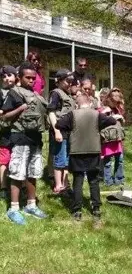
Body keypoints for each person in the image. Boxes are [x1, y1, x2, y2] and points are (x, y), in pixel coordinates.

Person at [55, 93, 117, 223]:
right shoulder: (96, 114)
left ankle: (77, 210)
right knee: (94, 180)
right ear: (90, 103)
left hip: (76, 152)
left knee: (78, 181)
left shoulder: (72, 114)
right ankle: (96, 208)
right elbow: (112, 121)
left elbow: (59, 124)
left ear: (76, 104)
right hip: (94, 151)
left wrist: (70, 129)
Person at [1, 62, 48, 225]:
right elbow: (4, 117)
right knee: (17, 172)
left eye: (33, 78)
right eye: (27, 77)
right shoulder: (14, 93)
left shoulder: (37, 95)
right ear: (20, 77)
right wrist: (20, 108)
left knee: (33, 172)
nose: (31, 80)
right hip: (20, 137)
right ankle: (13, 209)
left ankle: (31, 205)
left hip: (36, 138)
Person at [47, 69, 75, 194]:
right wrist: (56, 130)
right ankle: (58, 186)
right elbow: (51, 112)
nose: (70, 83)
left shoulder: (68, 95)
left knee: (67, 159)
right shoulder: (56, 93)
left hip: (69, 132)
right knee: (59, 158)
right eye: (67, 81)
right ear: (59, 81)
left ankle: (65, 184)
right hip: (60, 131)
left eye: (71, 81)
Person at [99, 87, 125, 186]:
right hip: (108, 139)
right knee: (108, 161)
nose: (116, 100)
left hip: (118, 138)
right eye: (114, 97)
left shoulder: (118, 109)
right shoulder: (104, 108)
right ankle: (108, 181)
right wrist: (110, 115)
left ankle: (119, 179)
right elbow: (98, 119)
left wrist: (121, 117)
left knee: (120, 160)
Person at [0, 65, 17, 199]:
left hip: (19, 131)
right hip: (5, 131)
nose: (6, 78)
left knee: (18, 158)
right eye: (3, 76)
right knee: (4, 160)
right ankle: (3, 187)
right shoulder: (1, 93)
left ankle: (21, 186)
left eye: (9, 75)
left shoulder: (19, 91)